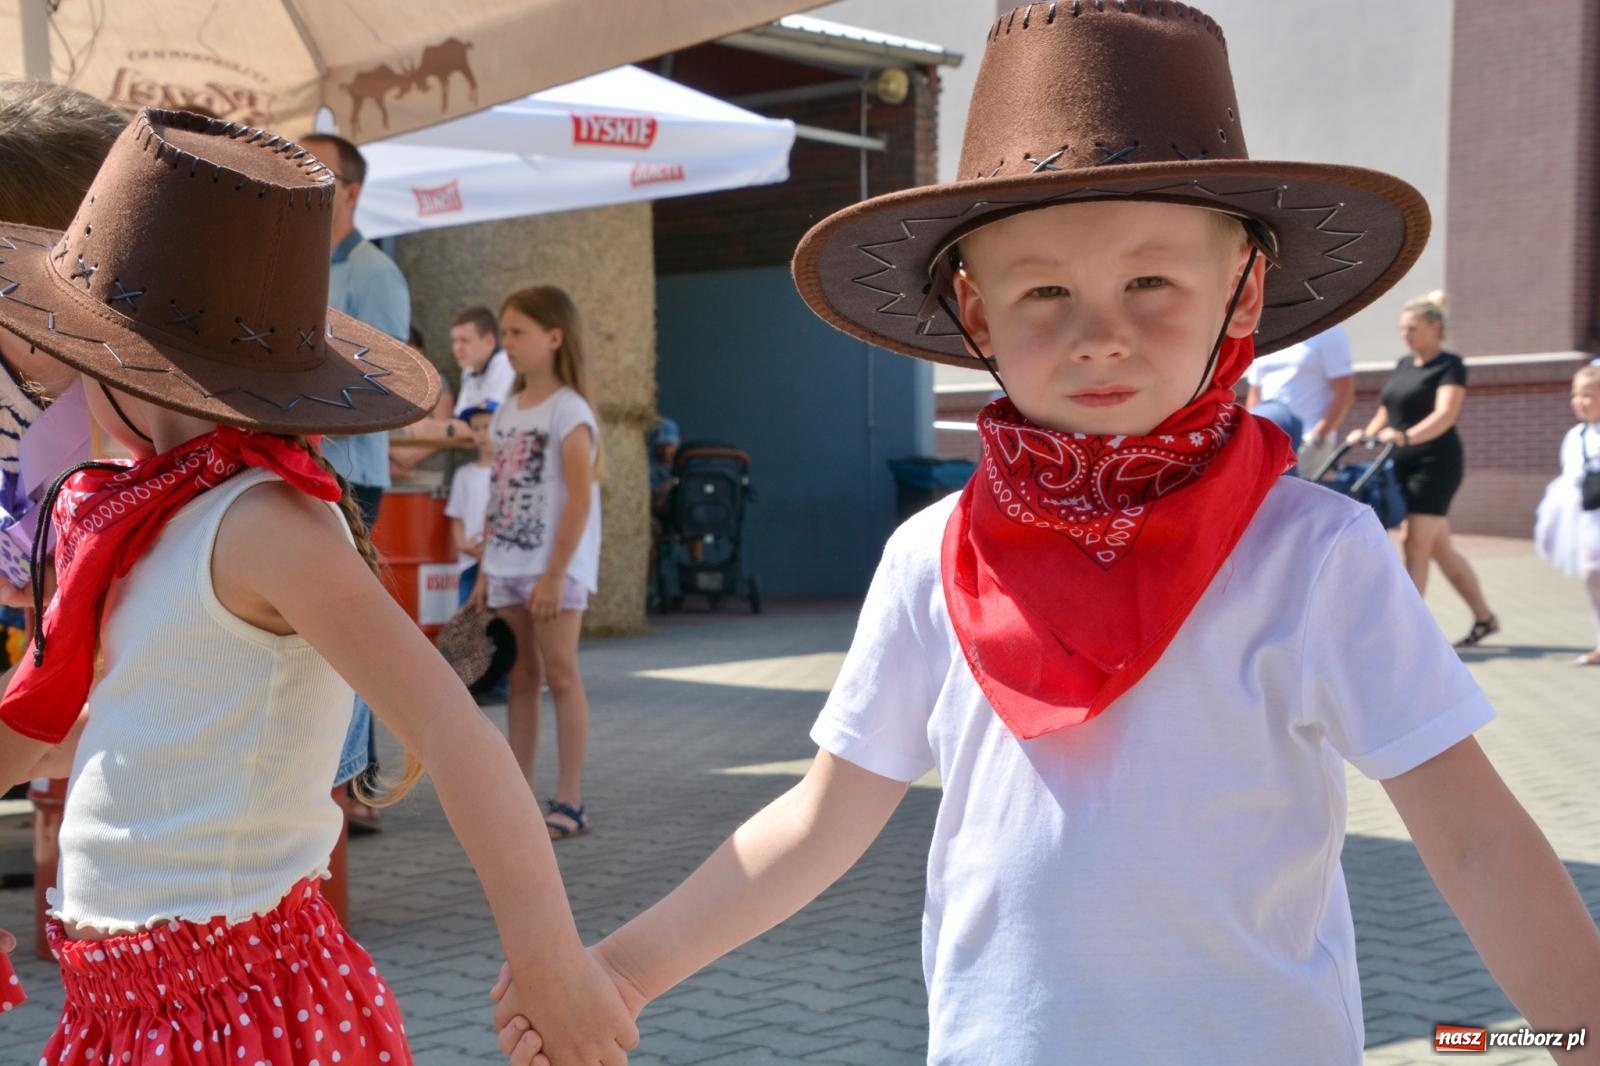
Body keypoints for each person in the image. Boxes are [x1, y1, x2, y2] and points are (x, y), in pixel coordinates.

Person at [486, 11, 1598, 1065]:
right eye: (1045, 290)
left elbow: (1473, 838)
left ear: (1242, 289)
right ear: (977, 315)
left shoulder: (1312, 554)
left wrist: (1573, 1030)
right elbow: (822, 820)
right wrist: (622, 973)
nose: (1098, 334)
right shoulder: (932, 558)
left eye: (1150, 280)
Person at [0, 109, 636, 1064]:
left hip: (237, 1005)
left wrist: (549, 959)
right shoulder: (142, 518)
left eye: (80, 348)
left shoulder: (266, 523)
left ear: (134, 359)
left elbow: (453, 731)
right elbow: (113, 729)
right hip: (121, 1004)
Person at [300, 130, 412, 829]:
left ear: (350, 191)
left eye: (313, 169)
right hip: (310, 469)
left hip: (348, 474)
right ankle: (345, 777)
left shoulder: (374, 273)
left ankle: (357, 781)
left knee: (343, 629)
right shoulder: (297, 262)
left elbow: (393, 386)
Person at [469, 286, 601, 842]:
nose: (508, 344)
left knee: (561, 674)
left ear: (554, 337)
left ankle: (569, 800)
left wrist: (554, 574)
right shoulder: (506, 414)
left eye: (519, 332)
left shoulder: (570, 410)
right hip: (507, 565)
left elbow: (580, 497)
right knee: (521, 678)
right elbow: (499, 493)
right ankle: (520, 799)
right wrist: (484, 573)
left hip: (555, 569)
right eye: (505, 332)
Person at [1347, 291, 1498, 647]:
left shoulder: (1450, 365)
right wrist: (1366, 433)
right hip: (1399, 462)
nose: (1405, 334)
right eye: (1402, 328)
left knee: (1415, 544)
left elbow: (1445, 414)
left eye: (1412, 327)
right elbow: (1387, 410)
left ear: (1434, 327)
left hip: (1435, 464)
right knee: (1439, 549)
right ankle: (1484, 617)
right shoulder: (1403, 365)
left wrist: (1407, 437)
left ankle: (1406, 637)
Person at [1534, 365, 1600, 666]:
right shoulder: (1576, 435)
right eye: (1575, 395)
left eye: (1587, 395)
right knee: (1593, 576)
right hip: (1588, 519)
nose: (1579, 401)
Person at [1245, 323, 1355, 475]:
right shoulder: (1267, 334)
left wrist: (1318, 437)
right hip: (1268, 442)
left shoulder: (1329, 332)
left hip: (1306, 441)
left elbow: (1344, 392)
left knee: (1302, 495)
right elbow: (1255, 392)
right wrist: (1251, 434)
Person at [447, 401, 498, 606]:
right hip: (470, 559)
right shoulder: (464, 474)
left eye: (488, 427)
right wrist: (462, 544)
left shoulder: (509, 474)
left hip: (499, 561)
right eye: (476, 428)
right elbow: (457, 516)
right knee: (468, 612)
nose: (481, 434)